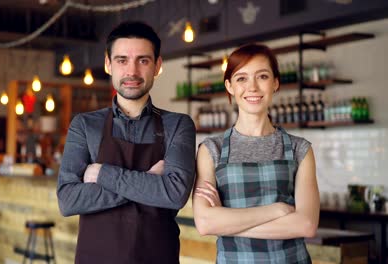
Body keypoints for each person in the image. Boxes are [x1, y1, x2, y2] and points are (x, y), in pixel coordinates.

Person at [57, 21, 196, 264]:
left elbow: (174, 195)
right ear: (108, 64)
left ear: (157, 66)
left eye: (143, 60)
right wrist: (149, 181)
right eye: (122, 60)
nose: (132, 71)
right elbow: (68, 200)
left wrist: (103, 174)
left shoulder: (178, 125)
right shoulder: (84, 125)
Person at [193, 43, 320, 263]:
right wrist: (277, 210)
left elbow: (306, 225)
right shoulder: (211, 150)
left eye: (262, 76)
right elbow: (205, 223)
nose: (252, 87)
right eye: (241, 78)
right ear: (229, 86)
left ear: (275, 83)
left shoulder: (301, 149)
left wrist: (226, 223)